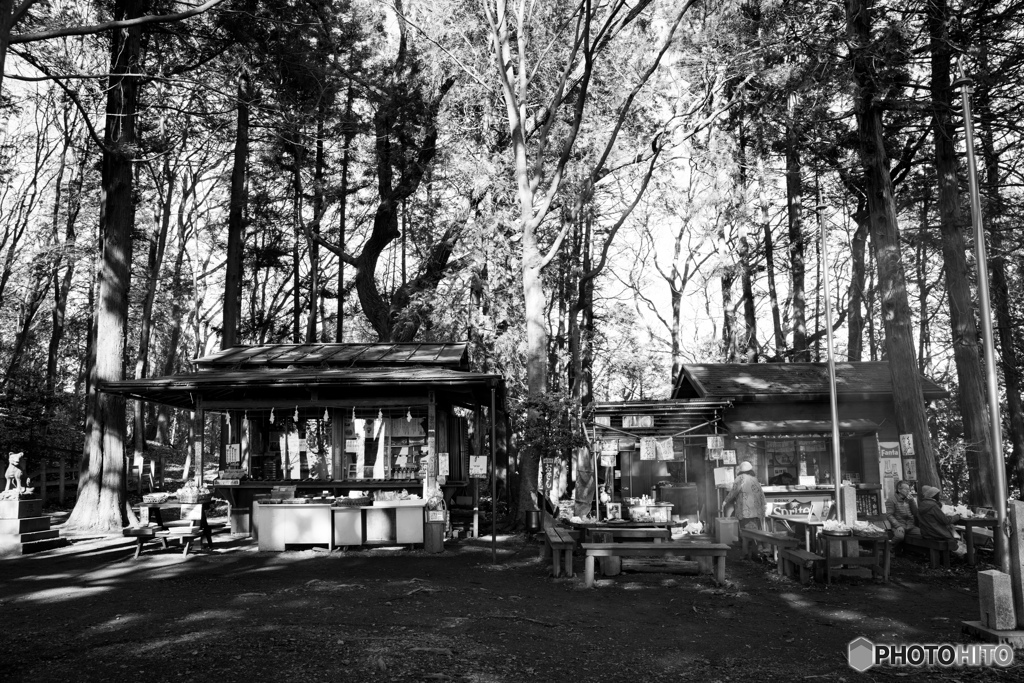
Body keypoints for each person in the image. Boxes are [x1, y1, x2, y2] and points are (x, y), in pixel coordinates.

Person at [722, 460, 768, 557]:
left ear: (740, 470)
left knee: (746, 534)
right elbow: (762, 494)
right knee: (756, 533)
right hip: (758, 512)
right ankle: (756, 553)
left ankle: (746, 554)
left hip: (745, 512)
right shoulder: (755, 479)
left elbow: (733, 491)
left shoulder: (740, 478)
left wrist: (725, 501)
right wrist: (764, 505)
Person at [915, 485, 967, 556]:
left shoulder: (923, 504)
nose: (939, 497)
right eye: (938, 495)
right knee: (951, 533)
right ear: (933, 495)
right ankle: (963, 553)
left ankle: (958, 549)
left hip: (925, 532)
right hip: (934, 533)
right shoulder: (933, 506)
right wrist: (957, 516)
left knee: (952, 532)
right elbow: (945, 520)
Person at [884, 479, 919, 549]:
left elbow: (915, 513)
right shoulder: (892, 500)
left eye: (909, 489)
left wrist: (912, 501)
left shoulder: (909, 500)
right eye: (906, 489)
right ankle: (890, 548)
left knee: (923, 533)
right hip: (898, 526)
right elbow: (889, 515)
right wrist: (898, 526)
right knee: (899, 536)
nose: (908, 491)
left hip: (910, 526)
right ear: (899, 490)